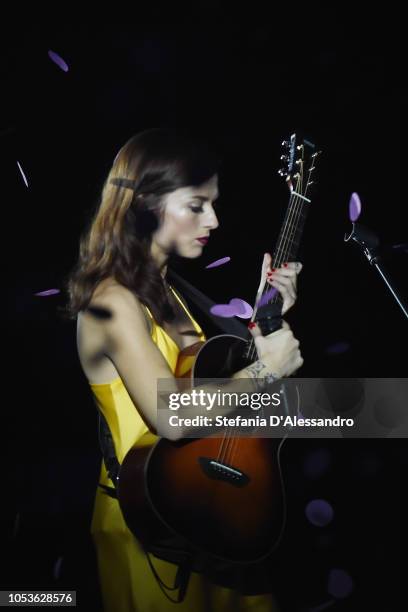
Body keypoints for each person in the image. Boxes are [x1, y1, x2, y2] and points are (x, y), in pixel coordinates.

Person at [63, 127, 303, 611]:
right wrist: (266, 372)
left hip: (214, 510)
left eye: (212, 203)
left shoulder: (174, 292)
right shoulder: (110, 300)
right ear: (145, 204)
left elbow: (214, 396)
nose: (213, 218)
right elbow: (172, 416)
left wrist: (265, 323)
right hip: (153, 520)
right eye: (196, 205)